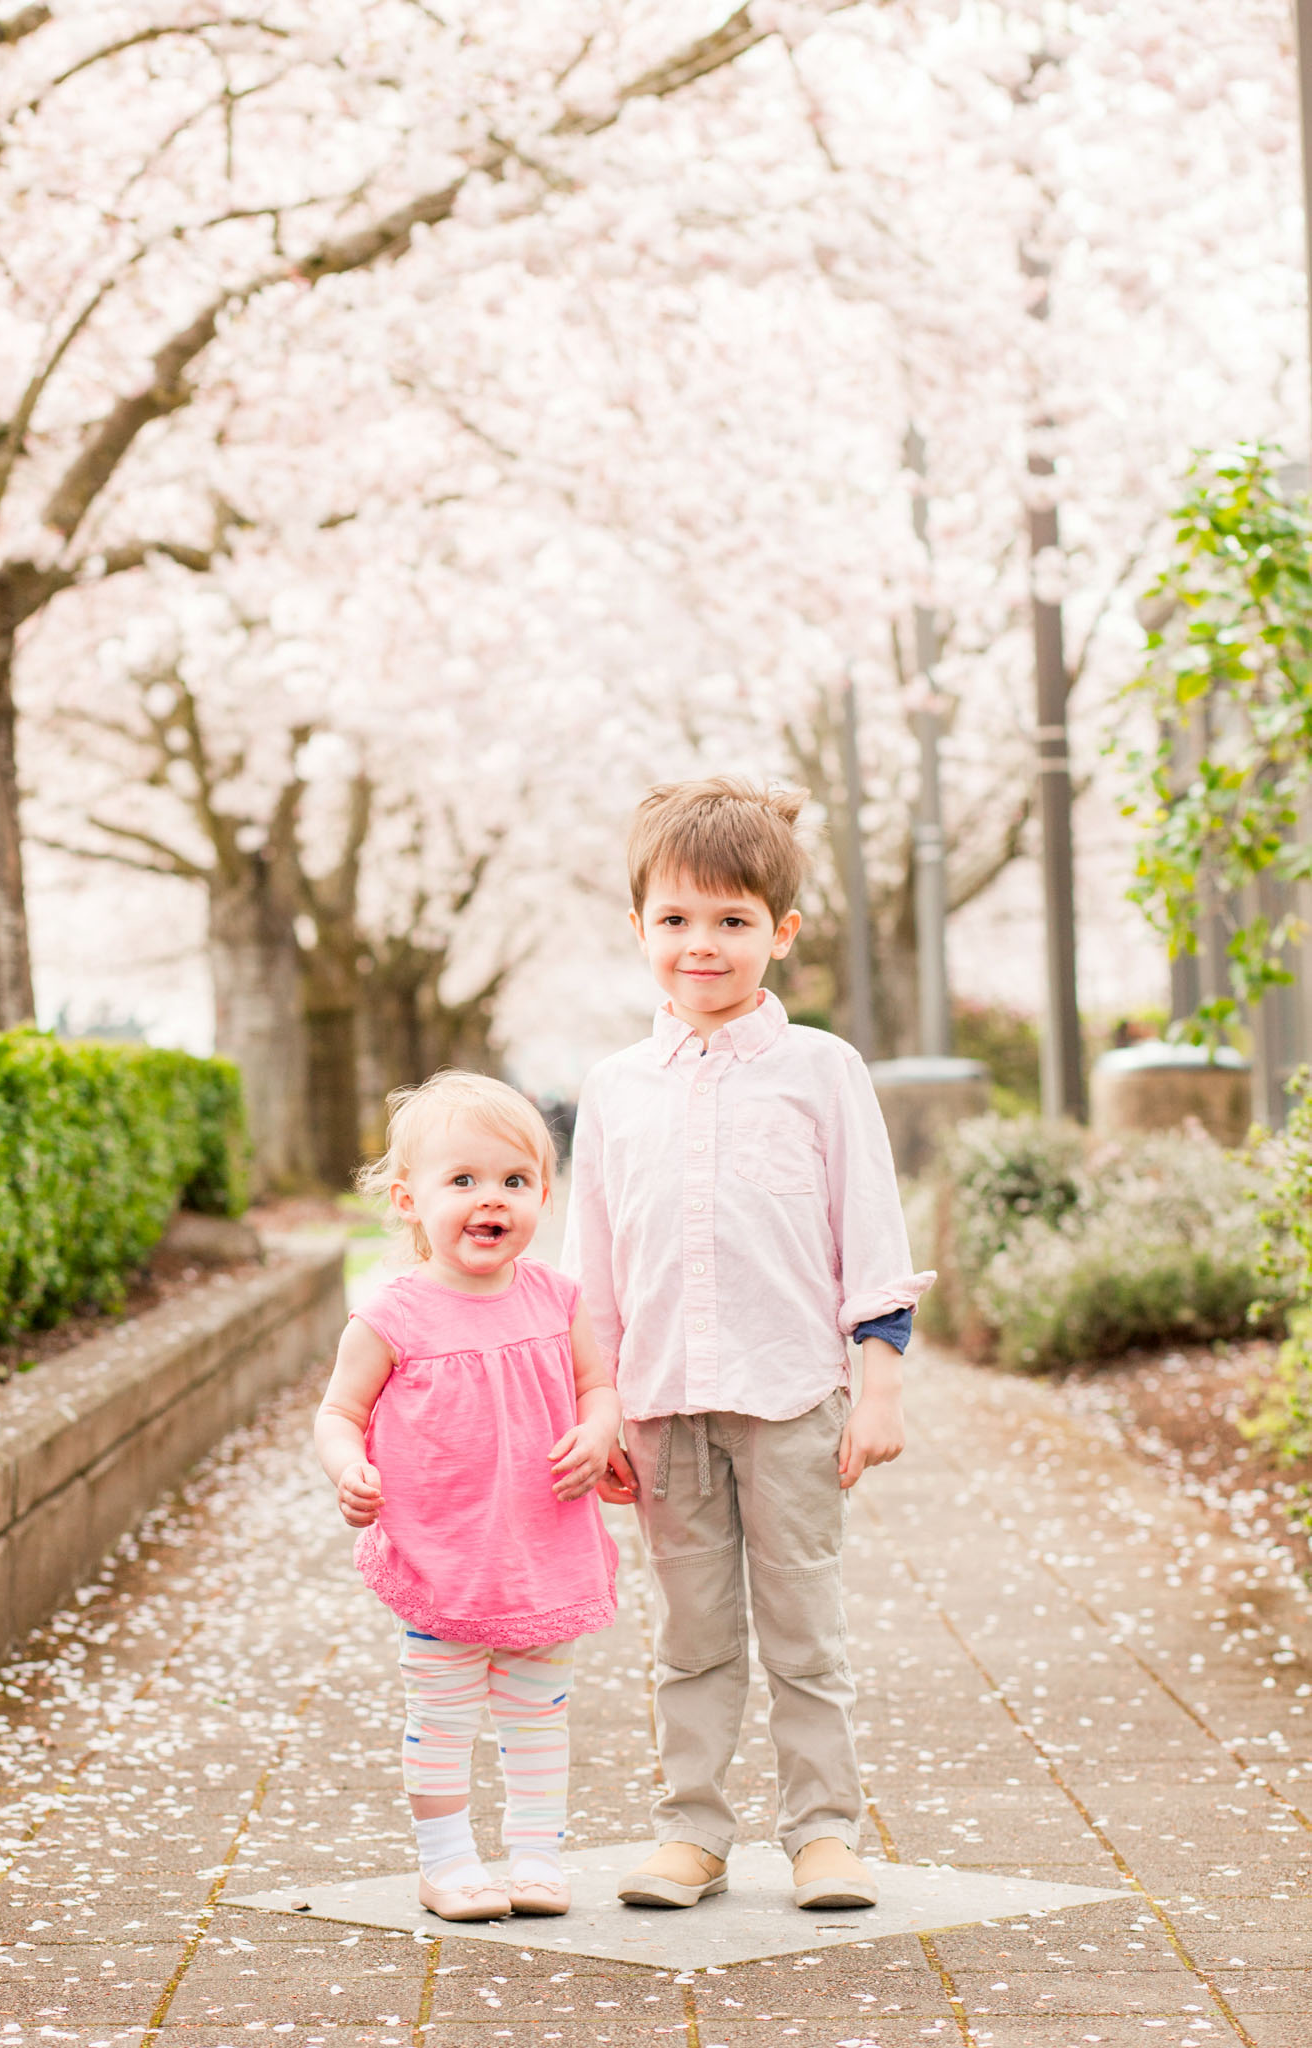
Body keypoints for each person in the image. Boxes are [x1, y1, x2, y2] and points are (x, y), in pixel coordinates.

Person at [564, 776, 934, 1914]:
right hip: (665, 1406)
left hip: (792, 1400)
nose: (702, 944)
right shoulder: (616, 1089)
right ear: (638, 930)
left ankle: (825, 1832)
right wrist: (602, 1402)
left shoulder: (822, 1069)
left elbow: (871, 1237)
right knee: (693, 1635)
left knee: (803, 1629)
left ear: (781, 931)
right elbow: (595, 1269)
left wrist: (879, 1390)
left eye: (732, 921)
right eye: (676, 919)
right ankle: (691, 1829)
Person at [315, 1070, 620, 1924]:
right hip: (444, 1556)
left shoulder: (557, 1298)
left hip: (541, 1552)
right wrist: (347, 1468)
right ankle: (447, 1863)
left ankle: (535, 1857)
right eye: (464, 1182)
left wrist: (598, 1433)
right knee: (443, 1720)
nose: (491, 1201)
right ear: (409, 1200)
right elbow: (339, 1412)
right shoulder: (392, 1315)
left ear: (543, 1196)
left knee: (537, 1718)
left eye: (514, 1182)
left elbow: (597, 1387)